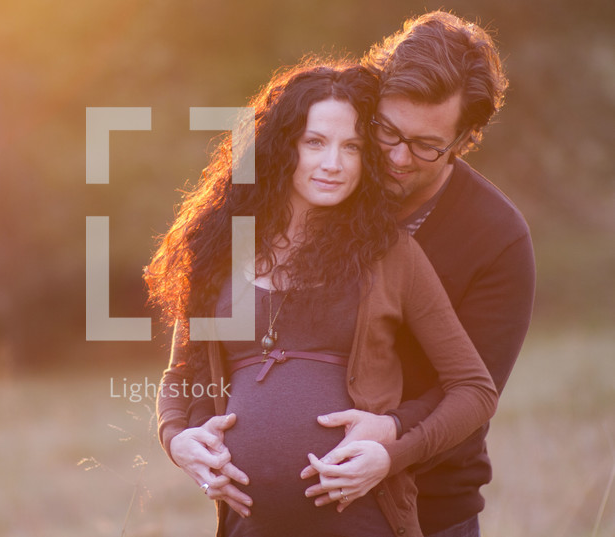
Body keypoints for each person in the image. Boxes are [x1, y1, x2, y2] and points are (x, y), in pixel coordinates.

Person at [145, 57, 498, 537]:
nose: (333, 164)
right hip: (248, 526)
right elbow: (180, 375)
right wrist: (176, 439)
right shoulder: (221, 249)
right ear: (280, 147)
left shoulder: (390, 254)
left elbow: (474, 390)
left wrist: (390, 453)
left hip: (364, 523)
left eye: (352, 147)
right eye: (315, 142)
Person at [305, 11, 536, 537]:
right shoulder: (328, 184)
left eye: (425, 145)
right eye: (386, 130)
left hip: (430, 515)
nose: (395, 156)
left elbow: (472, 393)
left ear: (464, 139)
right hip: (299, 510)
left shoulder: (498, 239)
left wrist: (387, 435)